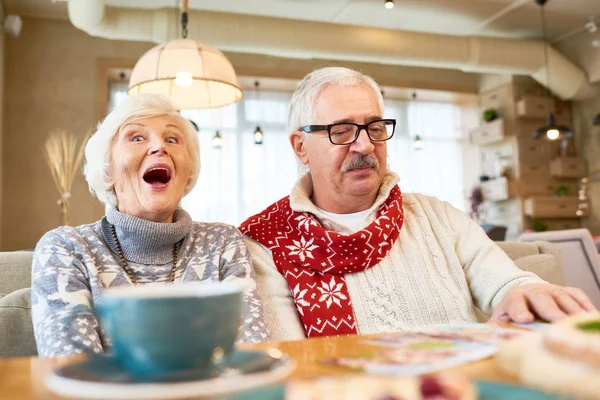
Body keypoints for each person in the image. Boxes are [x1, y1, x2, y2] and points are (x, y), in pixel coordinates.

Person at [240, 67, 596, 340]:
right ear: (300, 146)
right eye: (342, 130)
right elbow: (291, 359)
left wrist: (529, 291)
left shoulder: (437, 217)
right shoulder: (264, 244)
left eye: (374, 127)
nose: (364, 145)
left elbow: (506, 284)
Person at [32, 94, 269, 357]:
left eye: (172, 139)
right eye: (136, 137)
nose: (159, 147)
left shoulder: (222, 243)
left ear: (187, 171)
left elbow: (253, 354)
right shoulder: (67, 249)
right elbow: (74, 372)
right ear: (107, 170)